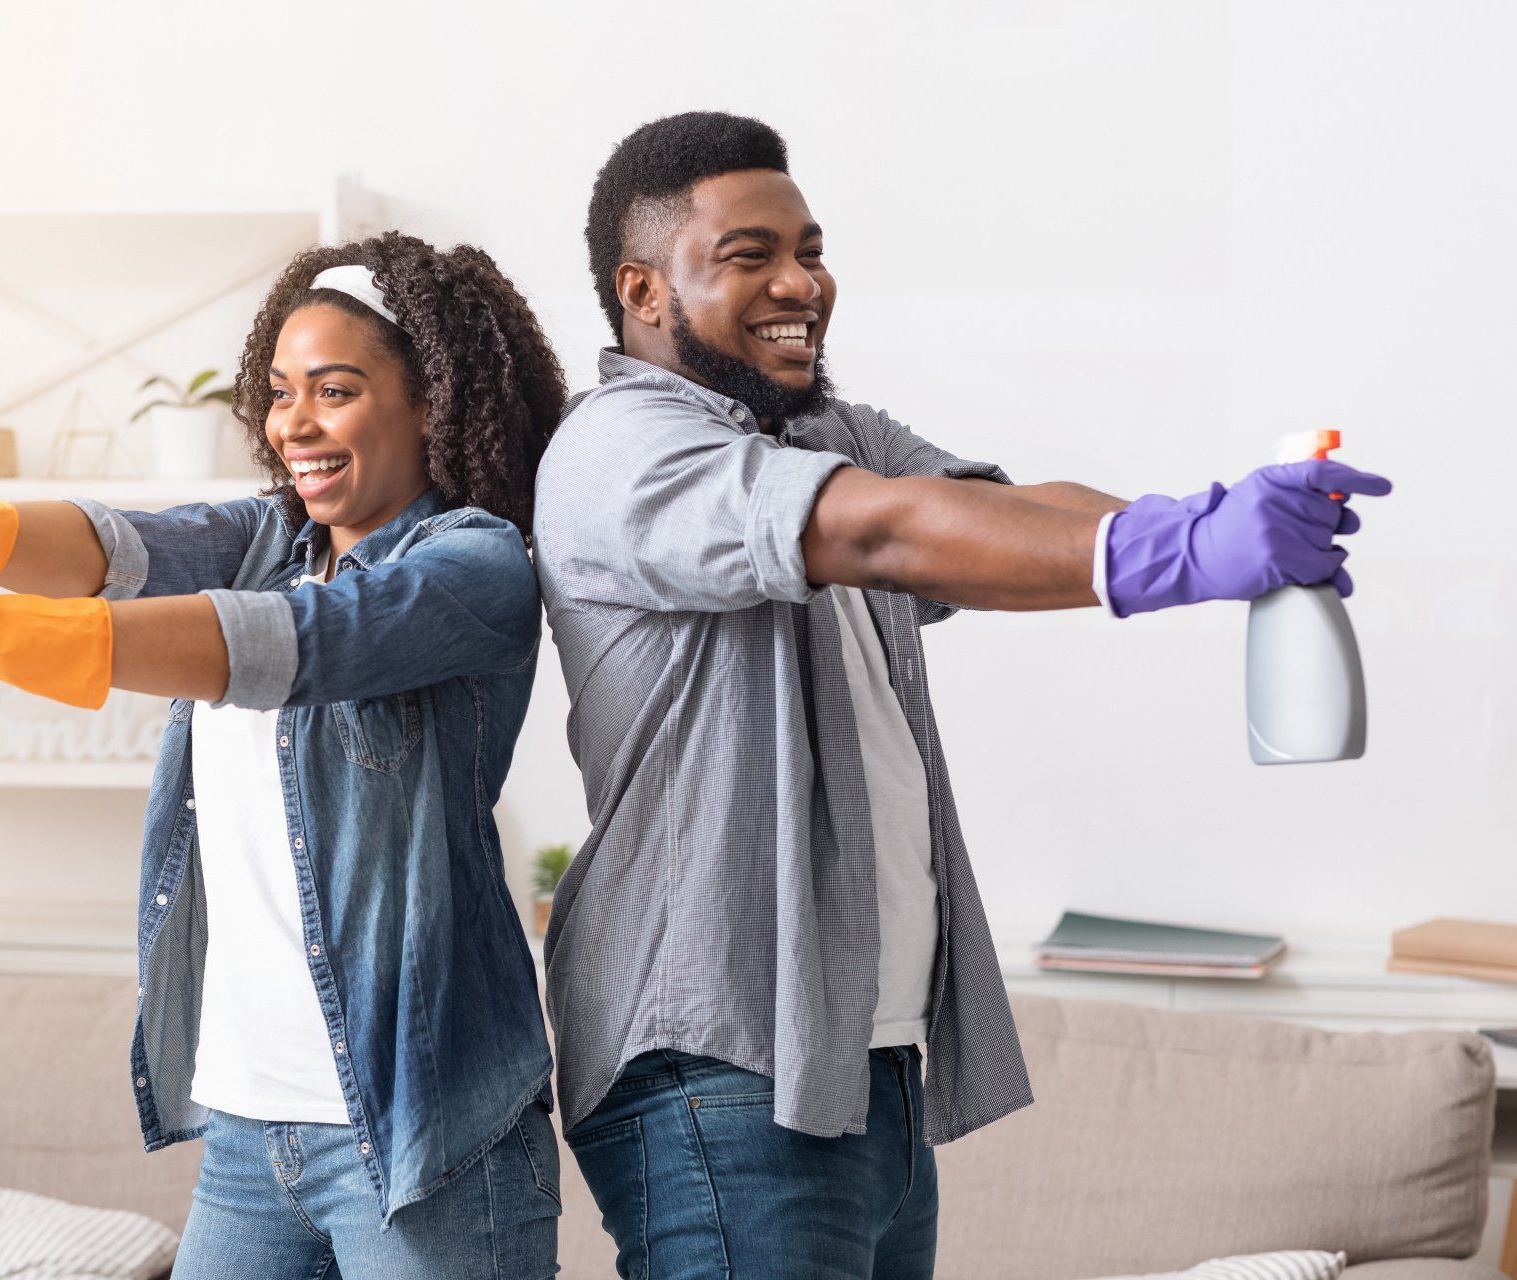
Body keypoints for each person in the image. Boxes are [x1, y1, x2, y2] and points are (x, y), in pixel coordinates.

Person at [532, 111, 1391, 1280]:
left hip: (861, 1060)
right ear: (643, 288)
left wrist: (1211, 519)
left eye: (811, 246)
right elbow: (884, 531)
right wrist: (1181, 553)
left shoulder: (819, 428)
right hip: (719, 1065)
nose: (803, 281)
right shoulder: (621, 449)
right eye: (751, 255)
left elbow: (1003, 508)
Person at [0, 231, 571, 1279]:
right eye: (281, 391)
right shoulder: (269, 537)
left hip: (421, 1140)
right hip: (249, 1131)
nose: (294, 422)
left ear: (431, 399)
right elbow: (113, 547)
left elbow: (284, 645)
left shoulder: (473, 564)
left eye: (333, 390)